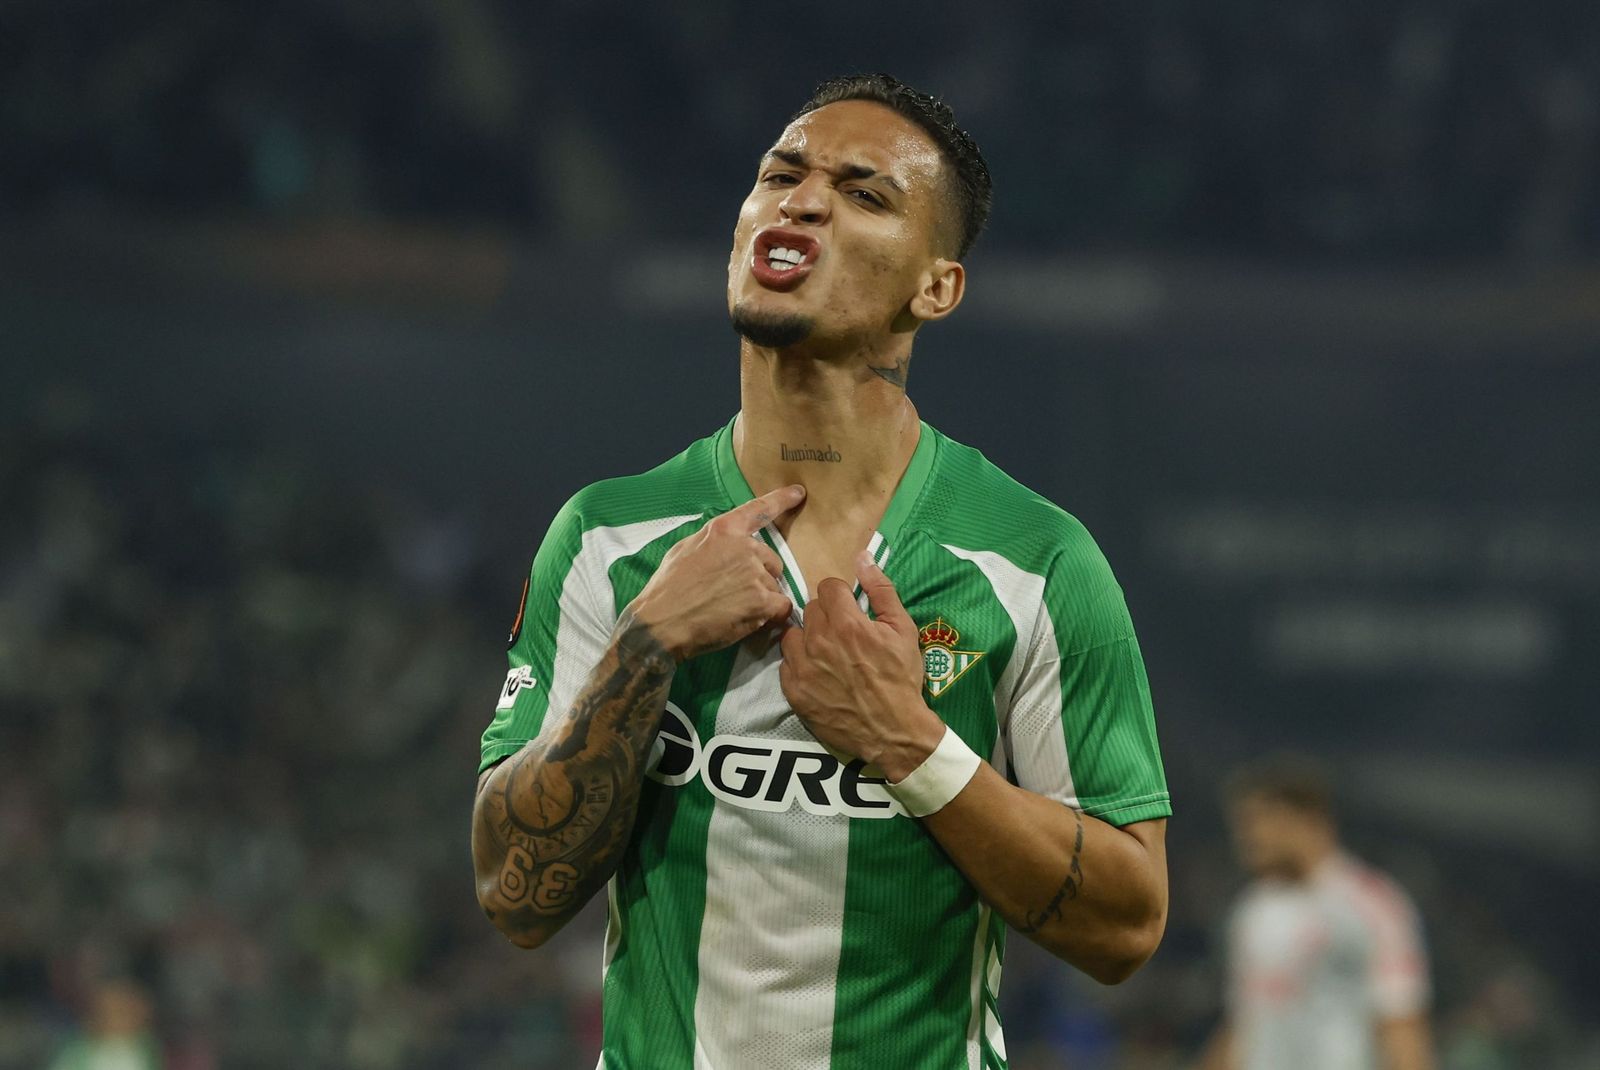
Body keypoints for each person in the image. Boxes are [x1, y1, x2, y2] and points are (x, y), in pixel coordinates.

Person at [471, 73, 1171, 1069]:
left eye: (863, 193)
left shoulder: (1036, 562)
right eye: (780, 176)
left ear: (935, 287)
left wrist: (907, 742)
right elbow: (514, 894)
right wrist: (644, 646)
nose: (801, 202)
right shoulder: (608, 538)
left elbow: (1126, 926)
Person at [1199, 756, 1435, 1070]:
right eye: (1242, 824)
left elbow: (1401, 1024)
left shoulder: (1371, 905)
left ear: (1309, 820)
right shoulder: (1253, 910)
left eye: (1259, 820)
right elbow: (1245, 1022)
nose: (1247, 836)